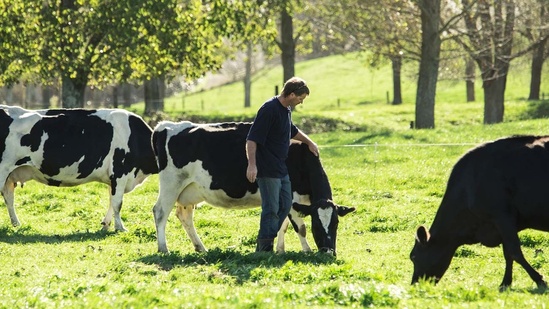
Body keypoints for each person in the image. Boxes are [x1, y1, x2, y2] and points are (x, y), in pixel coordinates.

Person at [246, 77, 320, 252]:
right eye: (300, 98)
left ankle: (267, 237)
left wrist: (310, 142)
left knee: (286, 204)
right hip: (267, 168)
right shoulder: (269, 109)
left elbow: (292, 130)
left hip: (280, 167)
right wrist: (252, 165)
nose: (300, 102)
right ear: (292, 94)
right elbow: (251, 140)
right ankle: (264, 247)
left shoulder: (286, 109)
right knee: (271, 208)